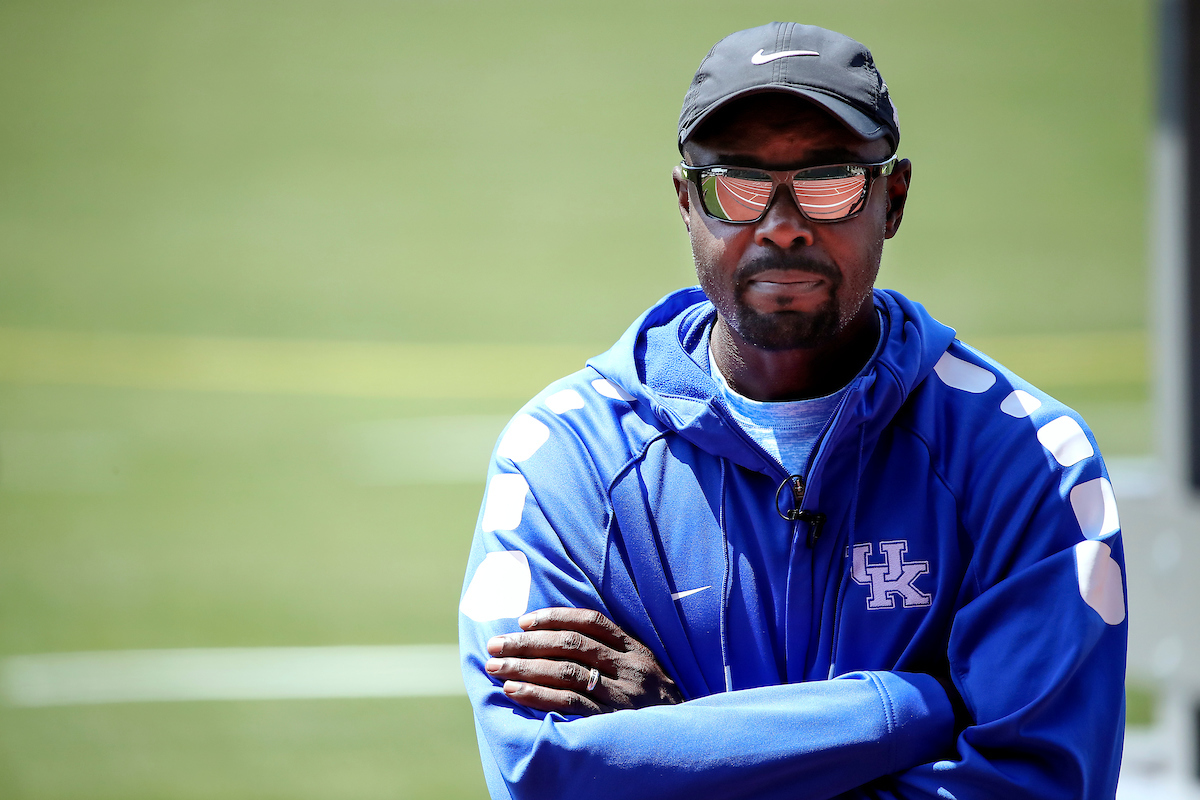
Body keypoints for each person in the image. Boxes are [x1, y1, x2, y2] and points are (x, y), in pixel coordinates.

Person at [458, 21, 1127, 800]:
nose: (781, 224)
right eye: (737, 184)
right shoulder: (565, 457)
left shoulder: (1028, 457)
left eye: (829, 181)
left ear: (893, 199)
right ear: (686, 202)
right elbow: (542, 770)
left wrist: (679, 742)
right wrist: (909, 710)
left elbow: (1038, 787)